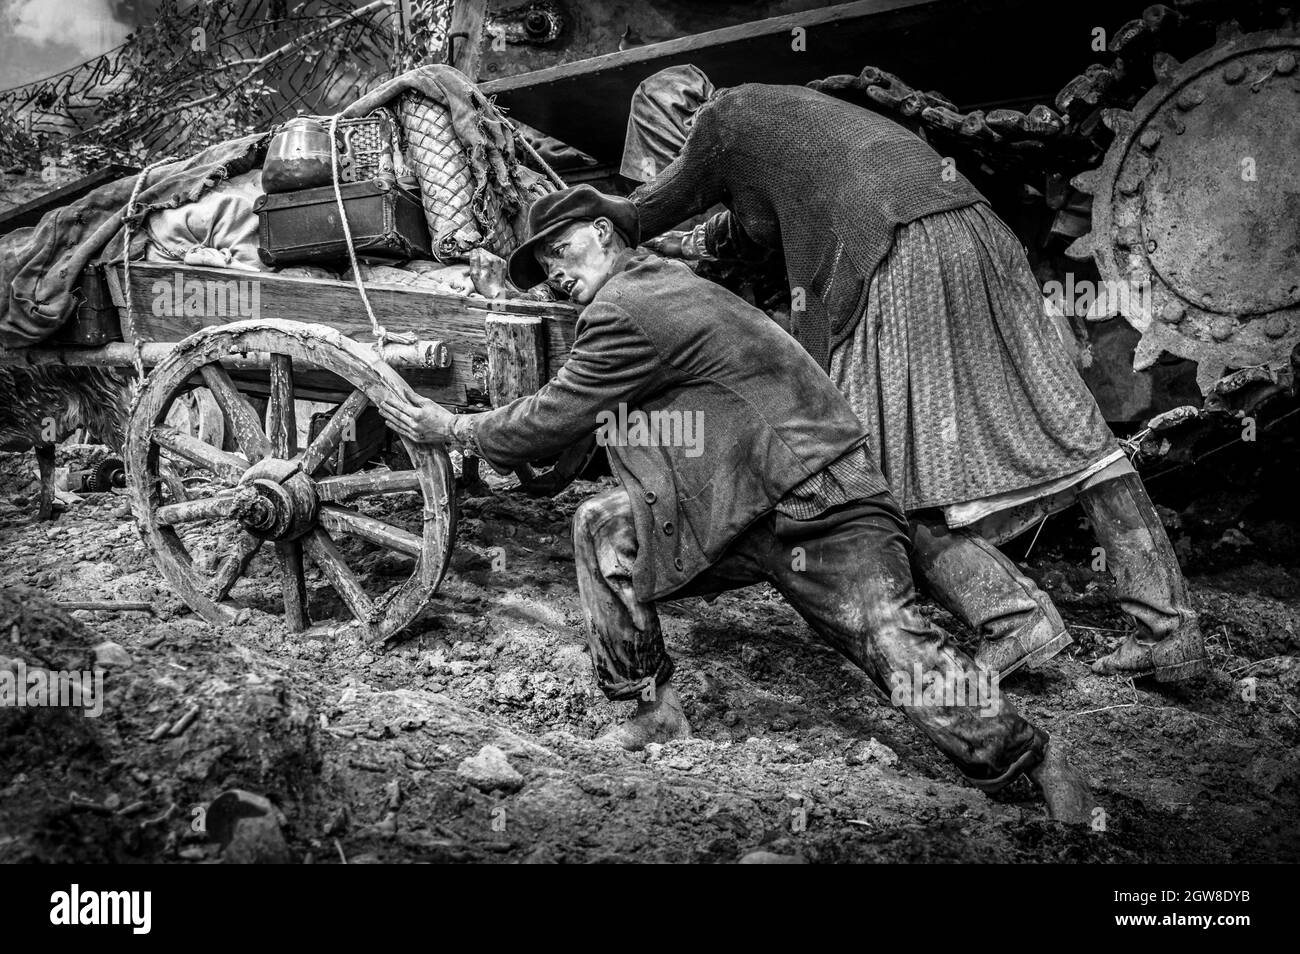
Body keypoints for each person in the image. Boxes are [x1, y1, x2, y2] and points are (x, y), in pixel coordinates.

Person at [378, 184, 1093, 822]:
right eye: (545, 270)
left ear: (602, 233)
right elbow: (591, 424)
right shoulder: (661, 286)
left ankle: (1032, 756)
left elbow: (550, 419)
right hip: (748, 504)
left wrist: (457, 428)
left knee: (892, 642)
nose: (557, 275)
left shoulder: (627, 308)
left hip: (821, 501)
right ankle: (650, 713)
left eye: (561, 252)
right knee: (606, 528)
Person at [627, 75, 1206, 683]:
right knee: (1072, 436)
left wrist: (557, 250)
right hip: (970, 230)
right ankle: (1169, 629)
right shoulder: (793, 121)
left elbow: (634, 215)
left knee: (870, 472)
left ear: (673, 126)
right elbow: (760, 228)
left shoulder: (723, 120)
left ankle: (1014, 620)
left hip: (896, 255)